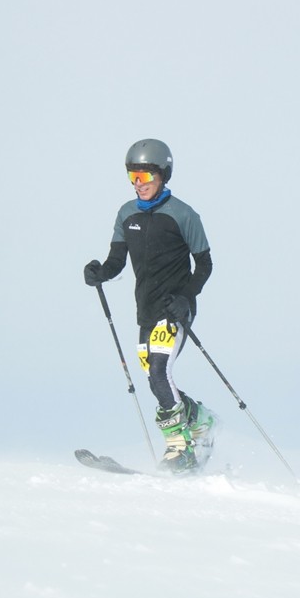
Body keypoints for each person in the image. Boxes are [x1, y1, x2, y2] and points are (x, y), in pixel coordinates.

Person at [83, 139, 216, 473]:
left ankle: (179, 449)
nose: (138, 184)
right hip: (146, 309)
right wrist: (100, 272)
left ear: (163, 175)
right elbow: (116, 261)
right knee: (156, 378)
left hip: (176, 308)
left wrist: (186, 298)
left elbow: (204, 265)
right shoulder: (127, 215)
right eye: (133, 177)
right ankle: (199, 419)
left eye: (144, 176)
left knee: (158, 372)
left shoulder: (183, 215)